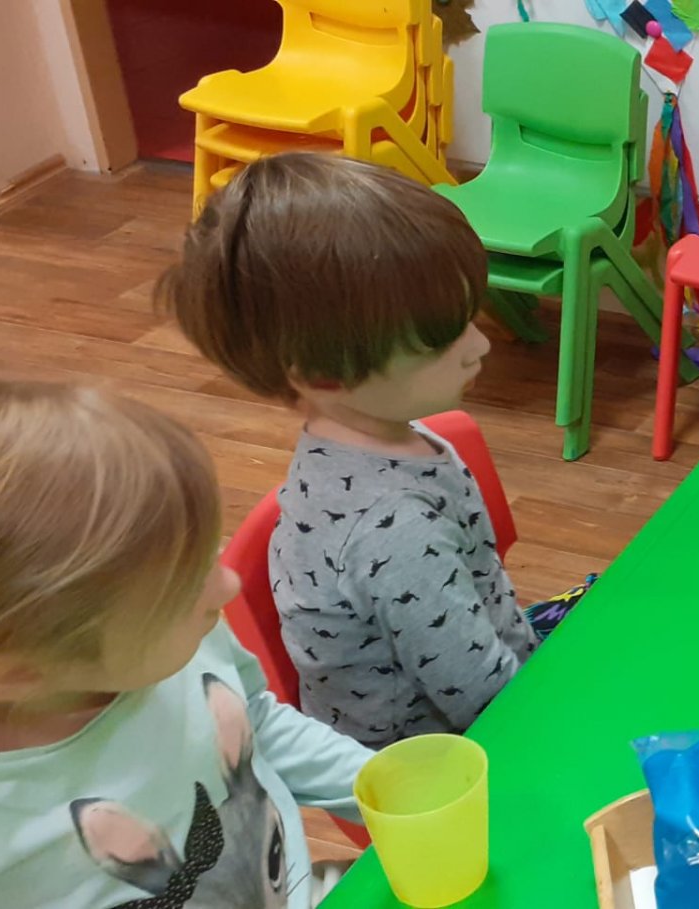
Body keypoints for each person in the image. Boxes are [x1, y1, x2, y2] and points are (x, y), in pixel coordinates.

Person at [162, 154, 544, 746]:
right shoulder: (393, 531)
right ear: (324, 375)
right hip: (442, 761)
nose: (480, 346)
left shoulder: (379, 436)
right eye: (444, 338)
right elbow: (488, 703)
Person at [0, 381, 371, 908]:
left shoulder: (189, 637)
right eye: (184, 587)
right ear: (21, 671)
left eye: (207, 556)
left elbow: (255, 723)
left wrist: (378, 785)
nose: (228, 586)